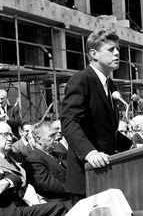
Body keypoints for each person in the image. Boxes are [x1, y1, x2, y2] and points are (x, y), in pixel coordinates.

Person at [61, 28, 132, 202]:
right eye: (110, 50)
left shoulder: (110, 84)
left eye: (118, 50)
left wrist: (132, 145)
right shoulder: (81, 79)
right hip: (87, 176)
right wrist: (90, 153)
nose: (117, 54)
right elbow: (69, 122)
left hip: (107, 172)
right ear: (94, 53)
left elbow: (105, 129)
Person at [0, 121, 68, 216]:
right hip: (8, 210)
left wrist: (39, 198)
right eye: (5, 134)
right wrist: (9, 180)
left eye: (11, 134)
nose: (10, 138)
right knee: (58, 206)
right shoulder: (30, 158)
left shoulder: (14, 158)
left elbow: (24, 183)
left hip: (25, 203)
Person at [23, 120, 72, 209]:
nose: (57, 137)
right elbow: (49, 186)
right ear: (39, 139)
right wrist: (74, 187)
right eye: (52, 135)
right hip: (59, 204)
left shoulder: (56, 154)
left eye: (55, 134)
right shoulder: (34, 160)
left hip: (70, 197)